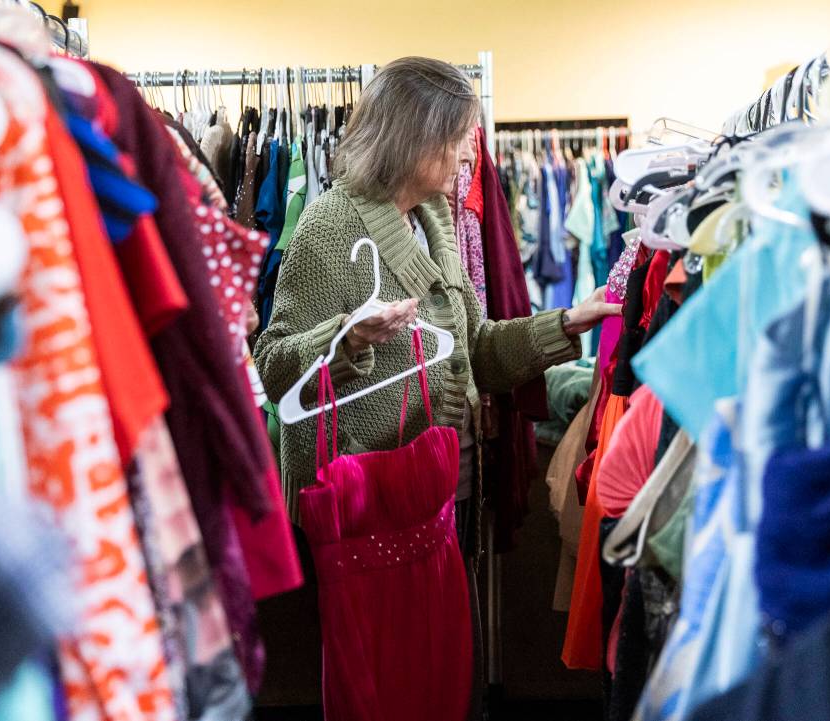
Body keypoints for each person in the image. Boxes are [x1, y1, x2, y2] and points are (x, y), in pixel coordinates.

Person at [253, 55, 620, 716]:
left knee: (442, 679)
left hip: (437, 486)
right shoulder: (329, 226)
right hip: (368, 503)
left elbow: (475, 347)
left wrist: (567, 321)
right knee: (385, 687)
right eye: (457, 137)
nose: (467, 154)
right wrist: (346, 338)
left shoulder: (435, 219)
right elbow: (275, 364)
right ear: (412, 136)